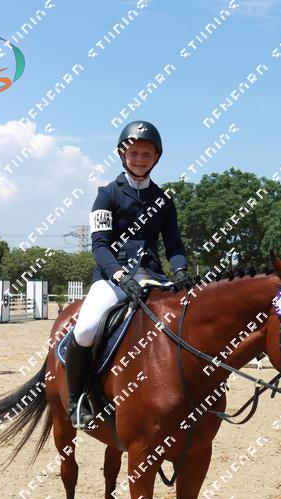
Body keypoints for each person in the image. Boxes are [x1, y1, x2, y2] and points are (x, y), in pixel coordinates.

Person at [65, 121, 192, 429]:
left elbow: (174, 245)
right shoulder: (106, 195)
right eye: (134, 153)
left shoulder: (163, 200)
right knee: (86, 329)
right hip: (113, 276)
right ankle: (76, 399)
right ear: (123, 156)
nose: (140, 159)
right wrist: (120, 276)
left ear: (156, 158)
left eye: (146, 154)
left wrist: (180, 270)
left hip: (153, 275)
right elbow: (99, 245)